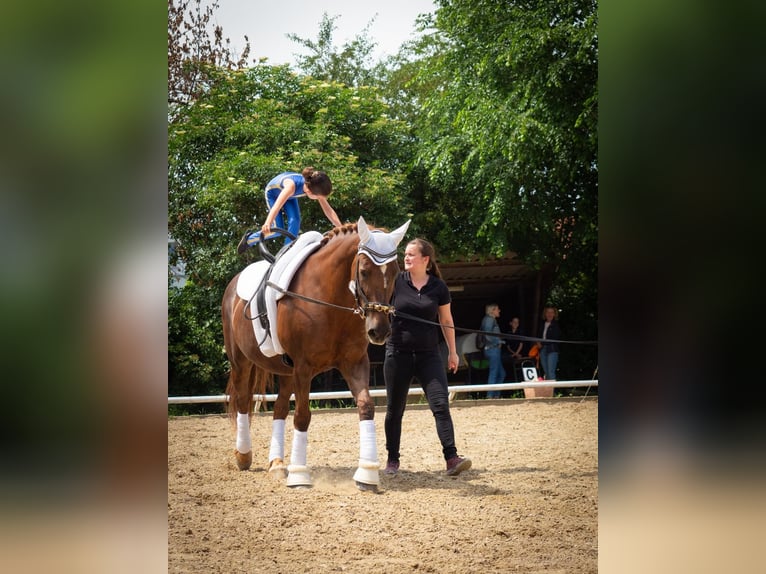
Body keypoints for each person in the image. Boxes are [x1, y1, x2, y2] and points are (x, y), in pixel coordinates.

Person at [383, 238, 472, 477]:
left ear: (425, 260)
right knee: (394, 409)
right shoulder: (395, 281)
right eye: (405, 254)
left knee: (441, 404)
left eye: (411, 254)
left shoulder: (438, 287)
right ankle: (392, 460)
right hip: (398, 353)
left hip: (429, 356)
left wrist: (453, 352)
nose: (406, 258)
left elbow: (446, 320)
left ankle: (452, 458)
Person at [237, 167, 342, 253]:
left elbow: (329, 210)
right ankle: (249, 239)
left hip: (290, 197)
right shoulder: (291, 186)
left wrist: (341, 227)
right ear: (310, 192)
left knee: (295, 220)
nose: (320, 199)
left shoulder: (312, 184)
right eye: (319, 197)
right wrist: (268, 222)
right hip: (273, 194)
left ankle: (287, 251)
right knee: (277, 229)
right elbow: (277, 206)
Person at [481, 303, 505, 399]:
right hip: (492, 349)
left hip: (493, 349)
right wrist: (498, 342)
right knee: (494, 372)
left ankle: (495, 395)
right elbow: (487, 334)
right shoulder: (489, 320)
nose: (499, 311)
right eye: (497, 309)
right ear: (492, 310)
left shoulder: (490, 320)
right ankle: (490, 395)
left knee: (501, 373)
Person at [538, 305, 562, 380]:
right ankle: (548, 391)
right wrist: (538, 342)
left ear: (554, 314)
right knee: (546, 372)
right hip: (543, 350)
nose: (549, 314)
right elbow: (538, 336)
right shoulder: (542, 324)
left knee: (551, 372)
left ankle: (552, 392)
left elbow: (555, 338)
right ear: (545, 314)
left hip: (552, 350)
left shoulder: (556, 325)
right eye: (548, 312)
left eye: (551, 312)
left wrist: (541, 343)